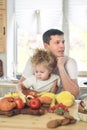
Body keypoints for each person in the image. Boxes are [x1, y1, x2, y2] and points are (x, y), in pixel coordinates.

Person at [19, 29, 79, 98]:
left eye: (63, 42)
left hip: (62, 105)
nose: (62, 46)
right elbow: (21, 88)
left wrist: (61, 66)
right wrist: (45, 96)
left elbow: (74, 94)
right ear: (46, 45)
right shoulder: (34, 61)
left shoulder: (70, 62)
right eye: (57, 42)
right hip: (38, 103)